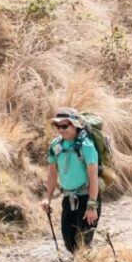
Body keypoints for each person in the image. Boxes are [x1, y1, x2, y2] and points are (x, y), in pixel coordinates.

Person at [43, 107, 100, 253]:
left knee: (83, 242)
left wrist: (92, 205)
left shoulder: (86, 146)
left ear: (75, 125)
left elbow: (93, 178)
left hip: (87, 198)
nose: (60, 130)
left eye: (64, 126)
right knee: (69, 241)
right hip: (68, 198)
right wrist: (47, 198)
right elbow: (52, 173)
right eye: (57, 126)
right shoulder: (55, 145)